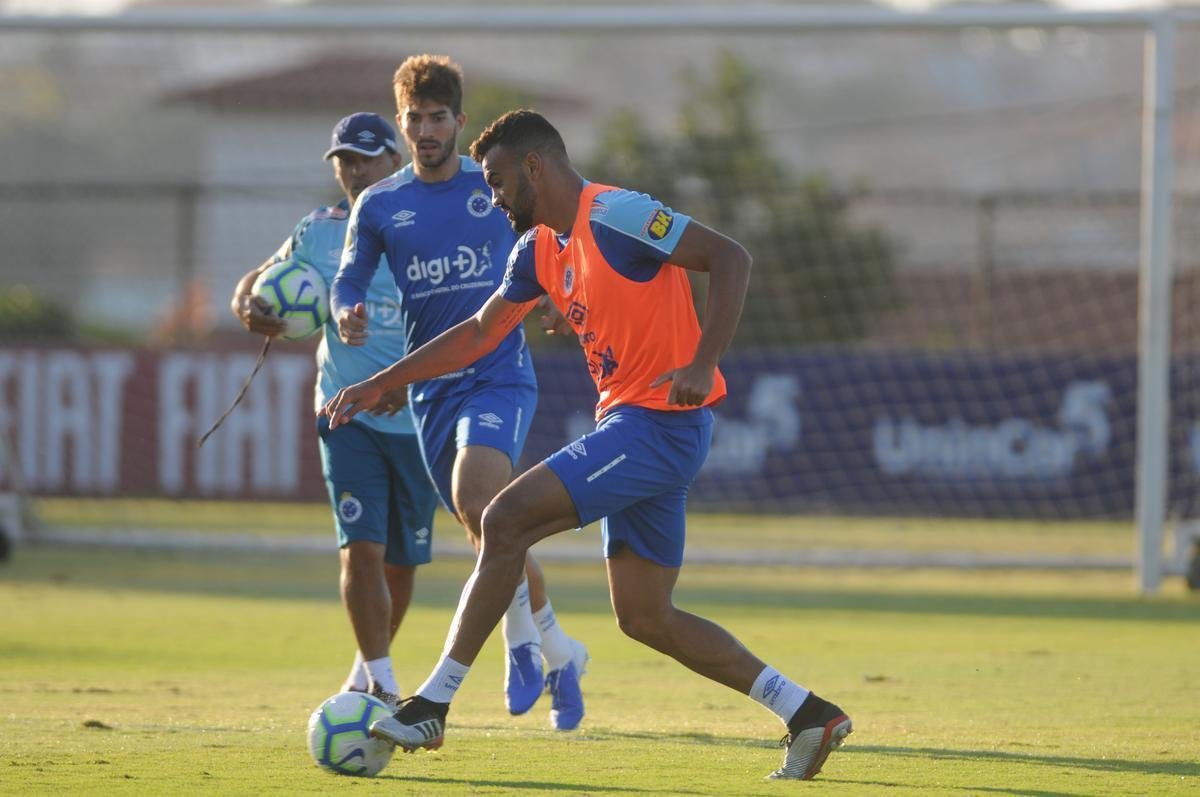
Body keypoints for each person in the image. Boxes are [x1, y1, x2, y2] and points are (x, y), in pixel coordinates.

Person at [322, 109, 853, 780]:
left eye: (497, 180)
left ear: (534, 168)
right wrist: (381, 381)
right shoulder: (538, 249)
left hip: (658, 424)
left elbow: (729, 257)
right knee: (644, 614)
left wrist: (701, 360)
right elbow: (481, 332)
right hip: (632, 428)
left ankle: (433, 701)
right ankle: (808, 712)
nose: (492, 198)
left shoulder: (617, 215)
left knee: (504, 518)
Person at [329, 56, 588, 731]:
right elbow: (349, 278)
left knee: (484, 503)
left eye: (438, 116)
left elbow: (555, 238)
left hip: (499, 372)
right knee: (488, 529)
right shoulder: (380, 204)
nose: (426, 129)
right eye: (414, 118)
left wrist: (564, 296)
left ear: (459, 121)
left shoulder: (493, 186)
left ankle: (521, 644)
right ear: (401, 123)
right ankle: (562, 648)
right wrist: (346, 309)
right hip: (431, 391)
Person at [231, 112, 438, 708]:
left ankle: (363, 669)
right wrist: (248, 303)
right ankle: (381, 681)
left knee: (401, 562)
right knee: (362, 548)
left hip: (420, 418)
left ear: (393, 161)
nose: (352, 170)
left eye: (365, 158)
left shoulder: (429, 226)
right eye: (344, 159)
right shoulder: (318, 230)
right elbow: (259, 279)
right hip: (345, 413)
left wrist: (415, 377)